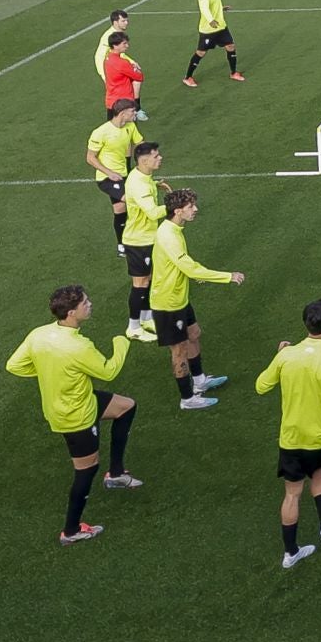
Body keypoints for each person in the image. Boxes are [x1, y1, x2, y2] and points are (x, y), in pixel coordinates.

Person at [5, 284, 142, 546]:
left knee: (127, 406)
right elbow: (108, 371)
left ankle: (116, 475)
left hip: (81, 401)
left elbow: (14, 365)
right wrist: (122, 342)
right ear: (70, 313)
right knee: (86, 470)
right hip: (75, 416)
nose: (90, 304)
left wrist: (50, 371)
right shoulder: (78, 347)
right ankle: (70, 531)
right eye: (84, 303)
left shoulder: (39, 334)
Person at [256, 298, 321, 571]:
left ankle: (290, 553)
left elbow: (261, 386)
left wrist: (279, 357)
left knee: (292, 494)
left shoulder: (286, 356)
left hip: (291, 439)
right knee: (320, 471)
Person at [149, 188, 244, 410]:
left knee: (194, 334)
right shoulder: (168, 235)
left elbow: (181, 265)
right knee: (179, 350)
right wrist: (227, 277)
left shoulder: (174, 229)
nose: (196, 210)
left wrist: (190, 274)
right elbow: (189, 268)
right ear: (178, 211)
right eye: (191, 207)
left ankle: (200, 381)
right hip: (168, 304)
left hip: (179, 297)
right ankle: (187, 399)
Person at [120, 141, 168, 343]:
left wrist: (156, 185)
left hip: (147, 238)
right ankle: (133, 327)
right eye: (156, 156)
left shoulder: (143, 176)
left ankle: (147, 319)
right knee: (140, 284)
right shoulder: (139, 184)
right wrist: (175, 204)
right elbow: (152, 212)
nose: (160, 158)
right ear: (144, 160)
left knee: (148, 280)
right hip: (139, 241)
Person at [85, 100, 142, 254]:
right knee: (131, 199)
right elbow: (90, 158)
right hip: (106, 178)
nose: (135, 113)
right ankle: (139, 238)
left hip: (123, 175)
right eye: (133, 111)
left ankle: (121, 246)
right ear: (122, 113)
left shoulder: (130, 127)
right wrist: (109, 172)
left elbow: (141, 145)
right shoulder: (100, 132)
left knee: (120, 209)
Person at [184, 0, 242, 85]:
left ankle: (234, 73)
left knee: (230, 46)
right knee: (201, 53)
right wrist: (211, 20)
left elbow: (212, 5)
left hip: (220, 26)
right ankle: (188, 77)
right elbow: (204, 8)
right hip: (208, 30)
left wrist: (221, 9)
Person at [102, 31, 147, 121]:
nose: (127, 46)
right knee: (129, 133)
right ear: (115, 45)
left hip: (111, 102)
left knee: (112, 132)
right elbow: (139, 77)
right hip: (124, 104)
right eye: (124, 44)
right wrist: (135, 68)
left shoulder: (107, 59)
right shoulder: (122, 63)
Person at [93, 9, 129, 83]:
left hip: (115, 68)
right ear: (115, 22)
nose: (126, 23)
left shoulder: (117, 34)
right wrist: (104, 75)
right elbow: (100, 56)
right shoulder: (109, 36)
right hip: (109, 70)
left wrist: (132, 62)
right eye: (123, 21)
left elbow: (121, 54)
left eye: (126, 20)